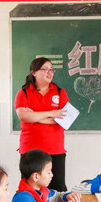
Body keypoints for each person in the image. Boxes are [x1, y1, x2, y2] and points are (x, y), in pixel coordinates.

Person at [15, 57, 68, 191]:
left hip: (55, 150)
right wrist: (51, 113)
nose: (50, 72)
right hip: (30, 150)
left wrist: (35, 116)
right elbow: (23, 115)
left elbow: (64, 120)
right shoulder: (24, 93)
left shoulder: (60, 92)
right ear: (34, 72)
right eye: (45, 69)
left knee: (57, 190)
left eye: (52, 70)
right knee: (30, 189)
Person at [10, 149, 84, 202]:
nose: (52, 175)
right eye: (48, 172)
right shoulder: (22, 198)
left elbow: (56, 197)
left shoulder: (43, 191)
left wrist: (67, 196)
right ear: (36, 177)